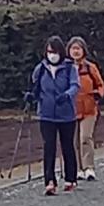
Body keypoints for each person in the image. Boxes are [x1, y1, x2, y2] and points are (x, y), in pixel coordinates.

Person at [27, 36, 80, 196]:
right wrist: (31, 96)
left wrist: (67, 95)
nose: (52, 55)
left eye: (55, 51)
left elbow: (75, 85)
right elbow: (36, 87)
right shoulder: (41, 69)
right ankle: (49, 181)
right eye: (49, 51)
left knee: (67, 145)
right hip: (46, 114)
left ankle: (70, 178)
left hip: (66, 114)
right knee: (49, 146)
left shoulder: (70, 68)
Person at [68, 36, 104, 181]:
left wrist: (98, 94)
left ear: (84, 50)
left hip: (89, 109)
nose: (76, 51)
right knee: (72, 141)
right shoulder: (66, 68)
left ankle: (89, 167)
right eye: (73, 48)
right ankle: (77, 169)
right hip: (70, 109)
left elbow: (100, 84)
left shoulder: (90, 67)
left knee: (85, 137)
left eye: (78, 48)